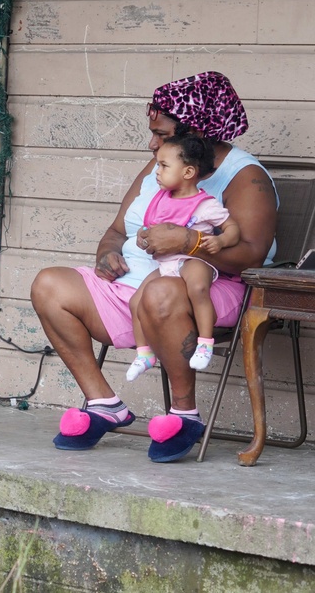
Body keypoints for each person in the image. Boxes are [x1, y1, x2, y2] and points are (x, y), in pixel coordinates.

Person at [30, 71, 277, 463]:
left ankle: (184, 415)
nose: (152, 143)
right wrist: (106, 255)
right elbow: (115, 231)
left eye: (161, 134)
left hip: (204, 290)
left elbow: (253, 256)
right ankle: (104, 404)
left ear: (197, 132)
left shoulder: (246, 177)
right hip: (134, 286)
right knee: (48, 284)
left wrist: (188, 242)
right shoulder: (160, 167)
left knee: (162, 291)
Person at [125, 134, 240, 382]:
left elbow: (233, 229)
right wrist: (143, 237)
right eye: (158, 164)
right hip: (166, 264)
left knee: (198, 289)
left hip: (194, 261)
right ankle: (144, 353)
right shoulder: (160, 199)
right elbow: (150, 227)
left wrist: (220, 241)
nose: (157, 171)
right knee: (136, 301)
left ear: (188, 172)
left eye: (164, 166)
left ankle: (205, 343)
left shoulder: (204, 204)